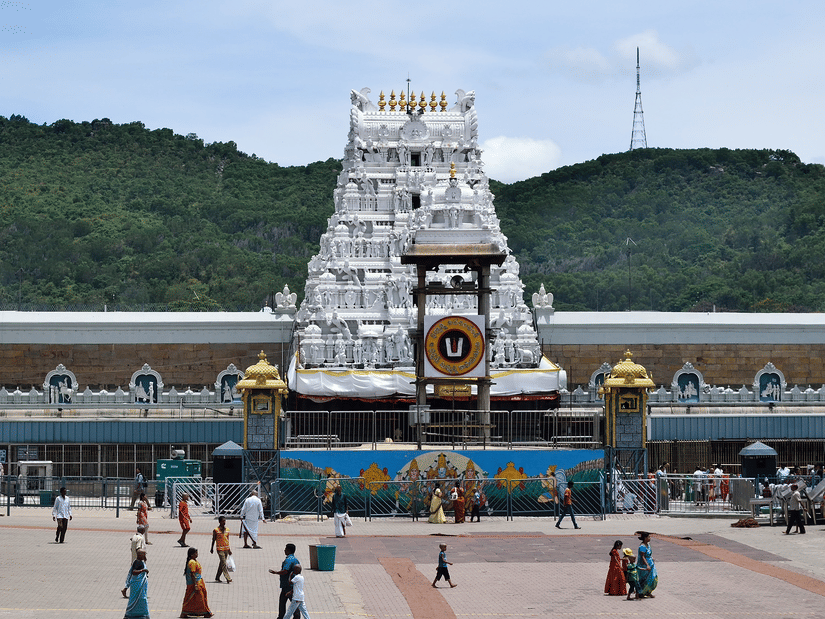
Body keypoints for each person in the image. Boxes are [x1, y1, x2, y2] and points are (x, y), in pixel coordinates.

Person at [269, 543, 301, 619]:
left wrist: (276, 572)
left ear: (288, 550)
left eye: (285, 549)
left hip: (288, 586)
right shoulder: (295, 559)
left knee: (289, 603)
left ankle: (292, 617)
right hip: (290, 585)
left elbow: (285, 571)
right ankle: (282, 617)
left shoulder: (289, 560)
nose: (284, 550)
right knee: (284, 602)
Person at [180, 547, 212, 618]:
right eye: (195, 553)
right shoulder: (192, 562)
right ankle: (204, 612)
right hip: (194, 583)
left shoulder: (194, 561)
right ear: (192, 554)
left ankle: (203, 612)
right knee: (198, 598)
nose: (197, 554)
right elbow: (192, 574)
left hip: (199, 582)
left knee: (200, 597)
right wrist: (195, 585)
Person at [124, 548, 150, 619]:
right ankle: (131, 614)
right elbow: (134, 572)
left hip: (140, 586)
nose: (145, 556)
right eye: (144, 554)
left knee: (142, 599)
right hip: (137, 586)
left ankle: (142, 614)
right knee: (140, 599)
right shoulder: (137, 562)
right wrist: (143, 570)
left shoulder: (140, 562)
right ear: (140, 555)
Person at [122, 525, 147, 598]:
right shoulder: (140, 538)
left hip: (133, 560)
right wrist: (143, 557)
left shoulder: (134, 536)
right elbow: (138, 549)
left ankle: (125, 589)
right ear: (142, 530)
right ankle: (139, 592)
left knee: (130, 575)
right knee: (140, 575)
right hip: (138, 561)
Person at [210, 515, 233, 583]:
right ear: (219, 522)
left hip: (226, 549)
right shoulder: (216, 530)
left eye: (225, 521)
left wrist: (229, 550)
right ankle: (228, 578)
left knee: (221, 564)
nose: (224, 522)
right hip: (220, 549)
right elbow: (213, 539)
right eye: (223, 521)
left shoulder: (227, 530)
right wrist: (211, 548)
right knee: (224, 563)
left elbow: (227, 540)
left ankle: (217, 577)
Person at [636, 531, 658, 598]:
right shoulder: (642, 546)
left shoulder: (648, 545)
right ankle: (641, 592)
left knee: (652, 578)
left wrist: (652, 558)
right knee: (643, 579)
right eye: (649, 537)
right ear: (645, 538)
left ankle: (648, 591)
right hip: (644, 566)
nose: (650, 538)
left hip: (651, 564)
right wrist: (647, 565)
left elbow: (649, 554)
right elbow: (642, 556)